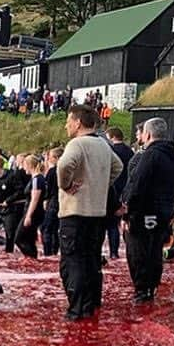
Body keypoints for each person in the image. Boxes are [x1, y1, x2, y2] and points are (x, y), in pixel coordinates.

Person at [56, 105, 123, 321]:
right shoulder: (104, 145)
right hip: (97, 213)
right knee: (92, 261)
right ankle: (92, 305)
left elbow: (64, 165)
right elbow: (118, 166)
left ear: (77, 123)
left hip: (75, 211)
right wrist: (100, 185)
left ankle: (77, 311)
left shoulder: (77, 144)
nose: (66, 125)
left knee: (72, 262)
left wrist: (65, 185)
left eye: (68, 120)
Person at [122, 117, 174, 303]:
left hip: (144, 211)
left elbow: (138, 184)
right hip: (163, 211)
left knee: (138, 250)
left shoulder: (150, 155)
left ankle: (141, 290)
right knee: (154, 249)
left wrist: (127, 211)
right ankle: (152, 286)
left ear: (147, 134)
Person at [105, 127, 134, 260]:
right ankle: (115, 252)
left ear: (111, 137)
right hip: (126, 188)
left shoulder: (110, 151)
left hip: (112, 189)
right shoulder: (130, 151)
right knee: (118, 224)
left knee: (109, 224)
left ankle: (109, 252)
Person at [14, 155, 46, 259]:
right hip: (34, 211)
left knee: (19, 238)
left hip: (33, 212)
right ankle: (33, 258)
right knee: (29, 239)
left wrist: (28, 216)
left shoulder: (37, 179)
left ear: (29, 165)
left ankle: (30, 257)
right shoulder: (36, 178)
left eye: (24, 165)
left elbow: (34, 199)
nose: (23, 169)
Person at [41, 147, 62, 257]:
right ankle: (54, 251)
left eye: (51, 157)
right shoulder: (67, 170)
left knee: (47, 228)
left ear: (56, 158)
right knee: (56, 229)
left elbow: (48, 189)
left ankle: (48, 253)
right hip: (63, 202)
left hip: (53, 201)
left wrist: (45, 200)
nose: (49, 159)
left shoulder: (52, 171)